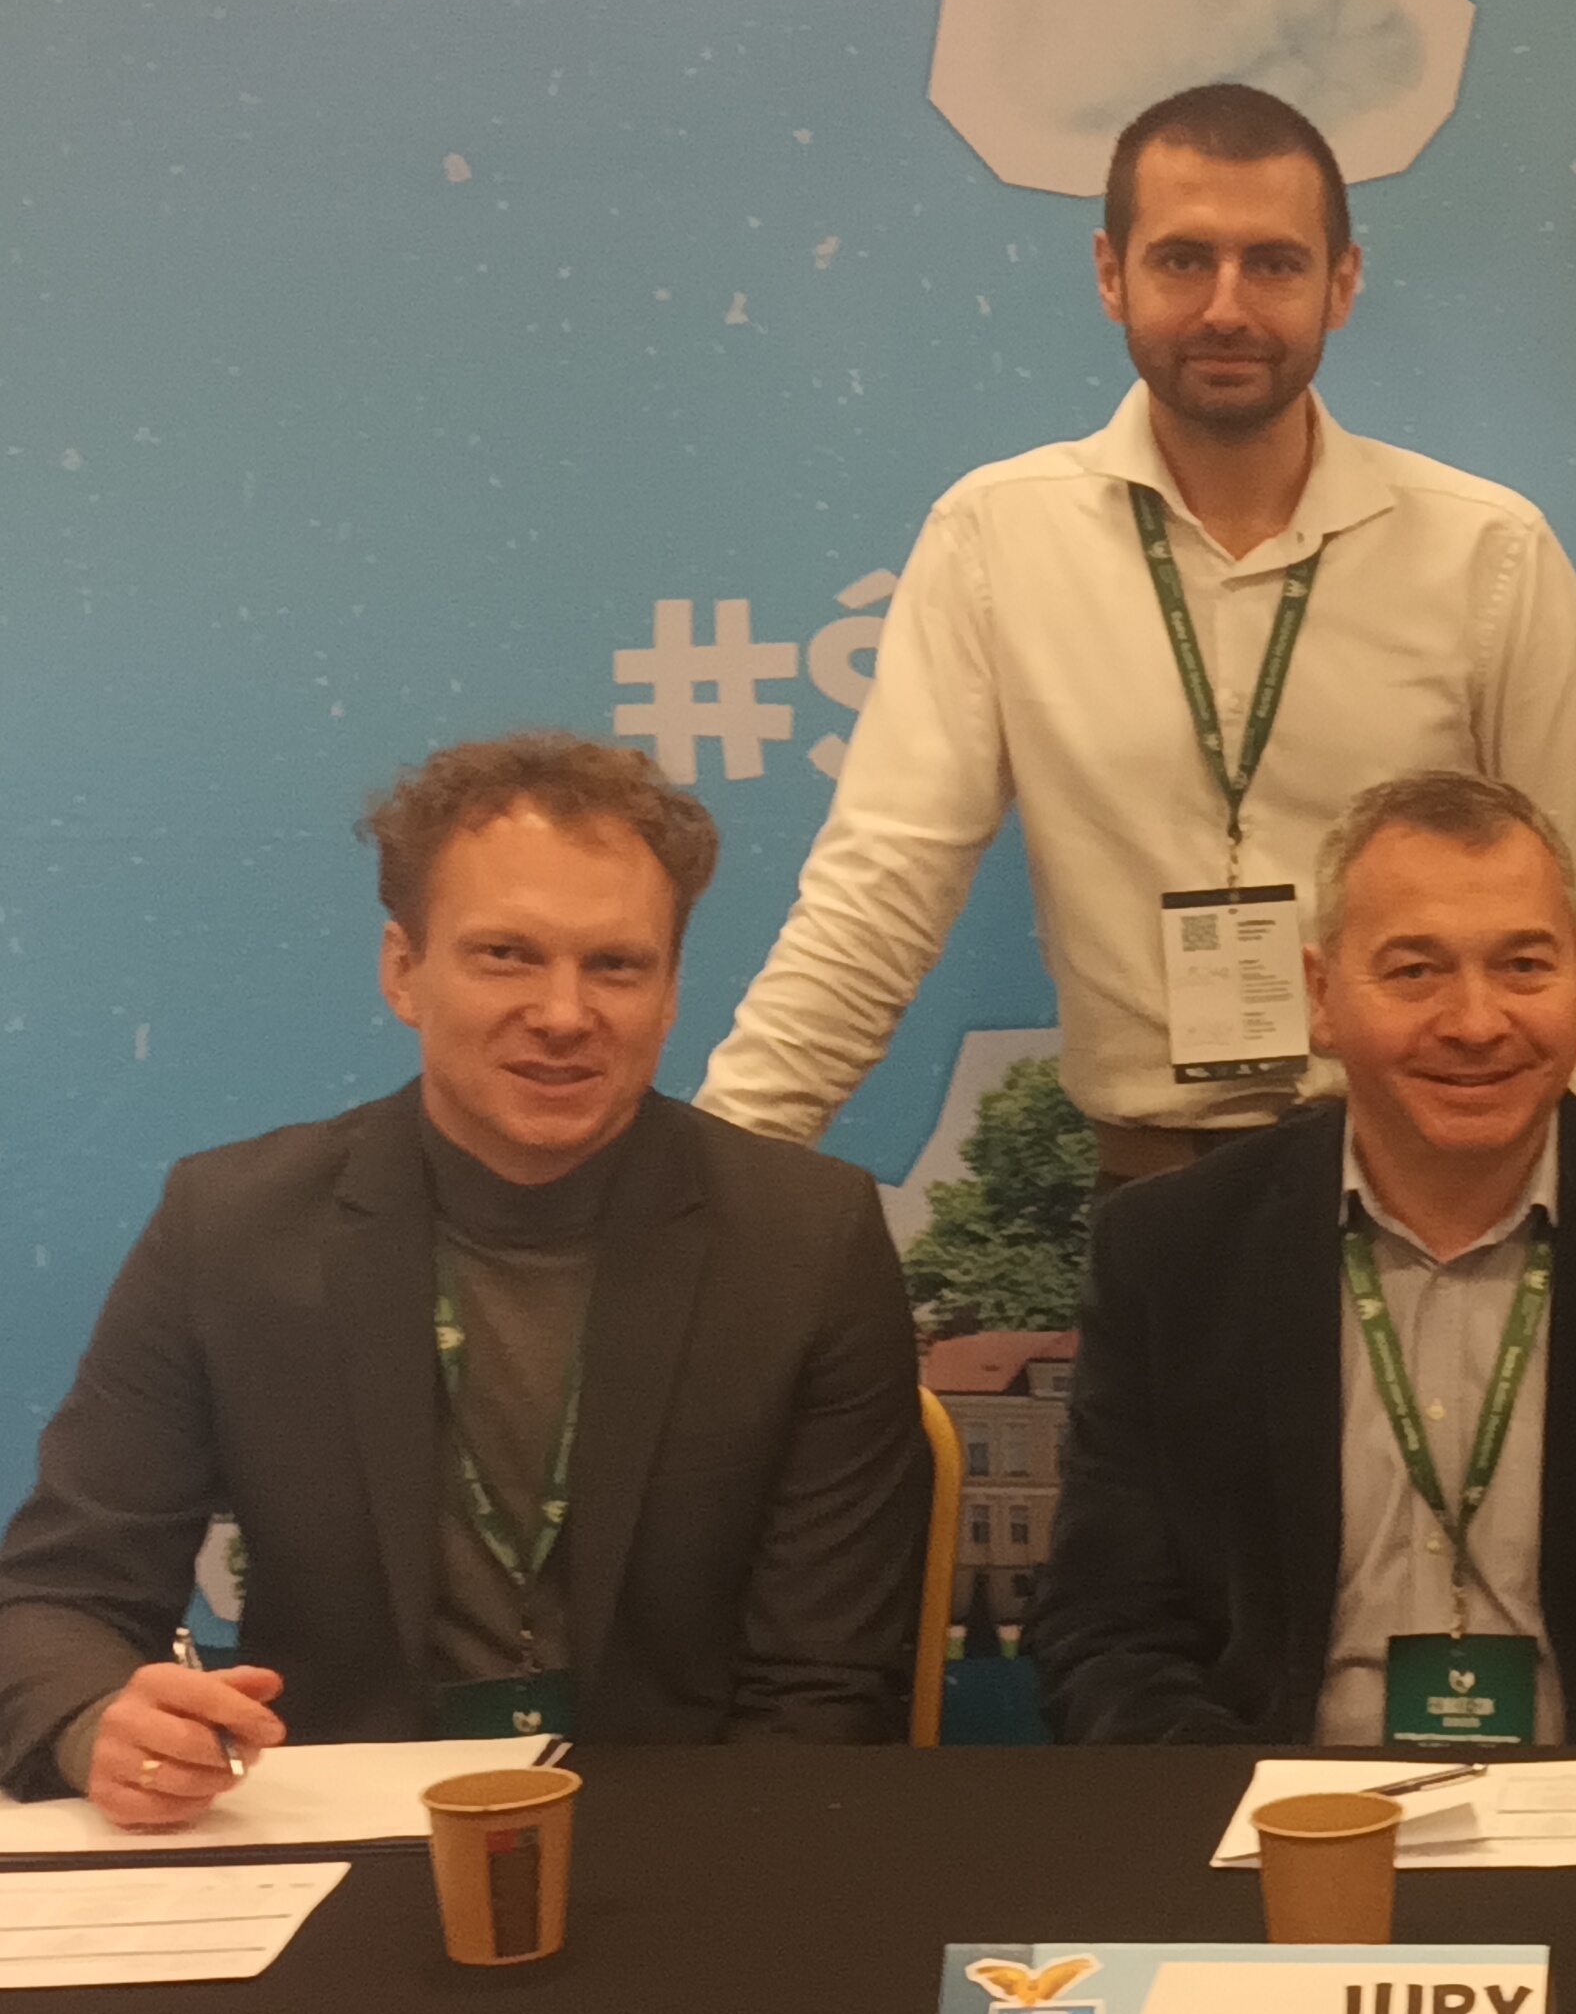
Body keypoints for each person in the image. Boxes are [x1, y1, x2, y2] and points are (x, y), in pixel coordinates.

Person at [700, 81, 1576, 1180]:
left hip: (1445, 1184)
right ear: (1110, 274)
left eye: (1273, 264)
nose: (1226, 307)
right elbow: (877, 900)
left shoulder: (1483, 551)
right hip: (1154, 1188)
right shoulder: (997, 539)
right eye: (1182, 260)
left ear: (1340, 284)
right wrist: (707, 1185)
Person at [0, 736, 926, 1818]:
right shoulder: (232, 1229)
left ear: (672, 991)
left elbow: (825, 1684)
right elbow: (57, 1597)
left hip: (687, 1825)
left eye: (616, 965)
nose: (565, 1014)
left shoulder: (806, 1240)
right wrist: (97, 1724)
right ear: (405, 970)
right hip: (329, 1823)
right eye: (506, 955)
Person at [1027, 771, 1576, 1747]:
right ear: (1320, 996)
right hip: (1280, 1807)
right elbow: (1107, 1633)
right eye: (1415, 972)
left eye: (1523, 966)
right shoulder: (1171, 1252)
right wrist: (1265, 1813)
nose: (1476, 1023)